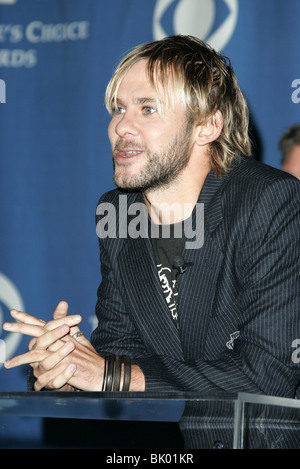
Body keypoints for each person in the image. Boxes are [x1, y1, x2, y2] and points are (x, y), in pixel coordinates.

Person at [3, 35, 300, 448]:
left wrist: (110, 373)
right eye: (119, 109)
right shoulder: (120, 213)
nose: (121, 125)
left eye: (147, 109)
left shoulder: (270, 199)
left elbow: (268, 375)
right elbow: (120, 349)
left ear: (207, 126)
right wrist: (67, 369)